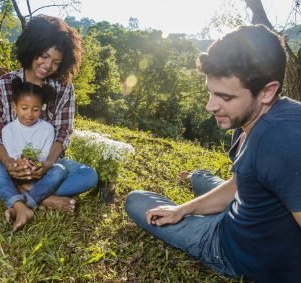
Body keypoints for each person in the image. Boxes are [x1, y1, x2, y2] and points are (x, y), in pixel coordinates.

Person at [125, 25, 301, 282]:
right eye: (210, 92)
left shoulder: (278, 143)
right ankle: (196, 180)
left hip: (232, 249)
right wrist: (181, 210)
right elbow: (241, 183)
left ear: (267, 91)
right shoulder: (267, 112)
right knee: (204, 178)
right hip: (249, 209)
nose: (210, 106)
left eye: (225, 97)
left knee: (136, 199)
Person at [0, 15, 98, 231]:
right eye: (44, 56)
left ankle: (9, 193)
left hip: (47, 164)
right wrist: (9, 164)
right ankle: (43, 198)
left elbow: (64, 132)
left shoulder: (64, 88)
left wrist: (45, 166)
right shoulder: (5, 83)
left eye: (56, 62)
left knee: (88, 176)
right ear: (31, 48)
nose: (48, 66)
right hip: (7, 162)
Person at [0, 77, 67, 230]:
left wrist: (38, 166)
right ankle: (29, 198)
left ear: (42, 108)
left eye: (35, 109)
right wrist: (19, 165)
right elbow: (11, 156)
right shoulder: (8, 130)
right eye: (24, 108)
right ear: (14, 106)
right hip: (15, 173)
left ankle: (21, 204)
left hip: (38, 173)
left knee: (60, 170)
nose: (29, 114)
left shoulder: (47, 129)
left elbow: (44, 156)